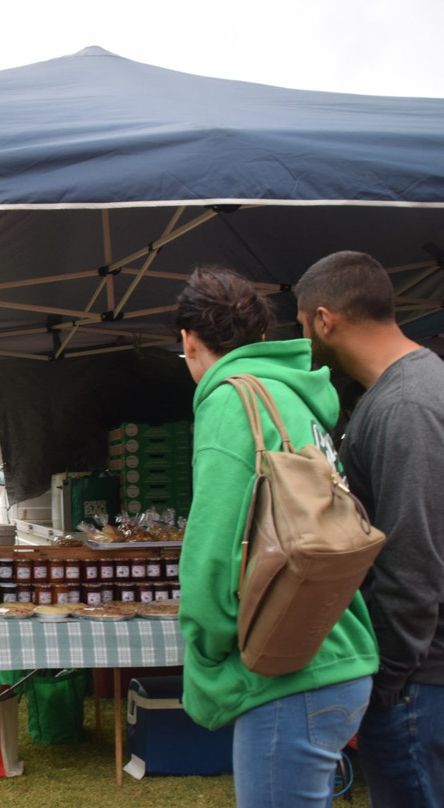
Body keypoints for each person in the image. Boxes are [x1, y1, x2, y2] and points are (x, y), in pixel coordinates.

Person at [175, 266, 378, 808]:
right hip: (341, 650)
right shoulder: (293, 396)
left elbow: (213, 552)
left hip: (287, 672)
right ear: (260, 335)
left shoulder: (230, 402)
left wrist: (206, 645)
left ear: (189, 341)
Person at [295, 250, 444, 807]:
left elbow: (414, 559)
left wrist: (386, 684)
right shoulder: (411, 388)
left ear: (325, 320)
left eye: (302, 324)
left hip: (418, 684)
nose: (302, 338)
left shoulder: (407, 404)